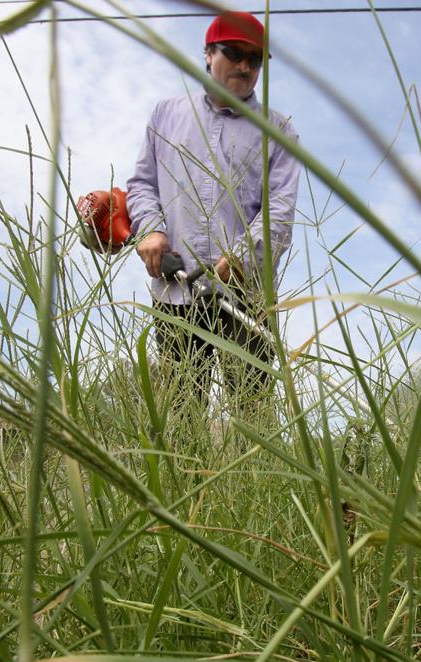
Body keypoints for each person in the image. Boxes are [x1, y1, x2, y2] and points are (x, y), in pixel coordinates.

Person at [126, 10, 300, 414]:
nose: (244, 65)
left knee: (252, 414)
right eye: (234, 52)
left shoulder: (280, 131)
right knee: (182, 416)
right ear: (208, 53)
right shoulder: (165, 114)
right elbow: (142, 184)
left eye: (254, 59)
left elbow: (280, 212)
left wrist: (240, 257)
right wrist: (151, 230)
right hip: (176, 290)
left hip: (245, 297)